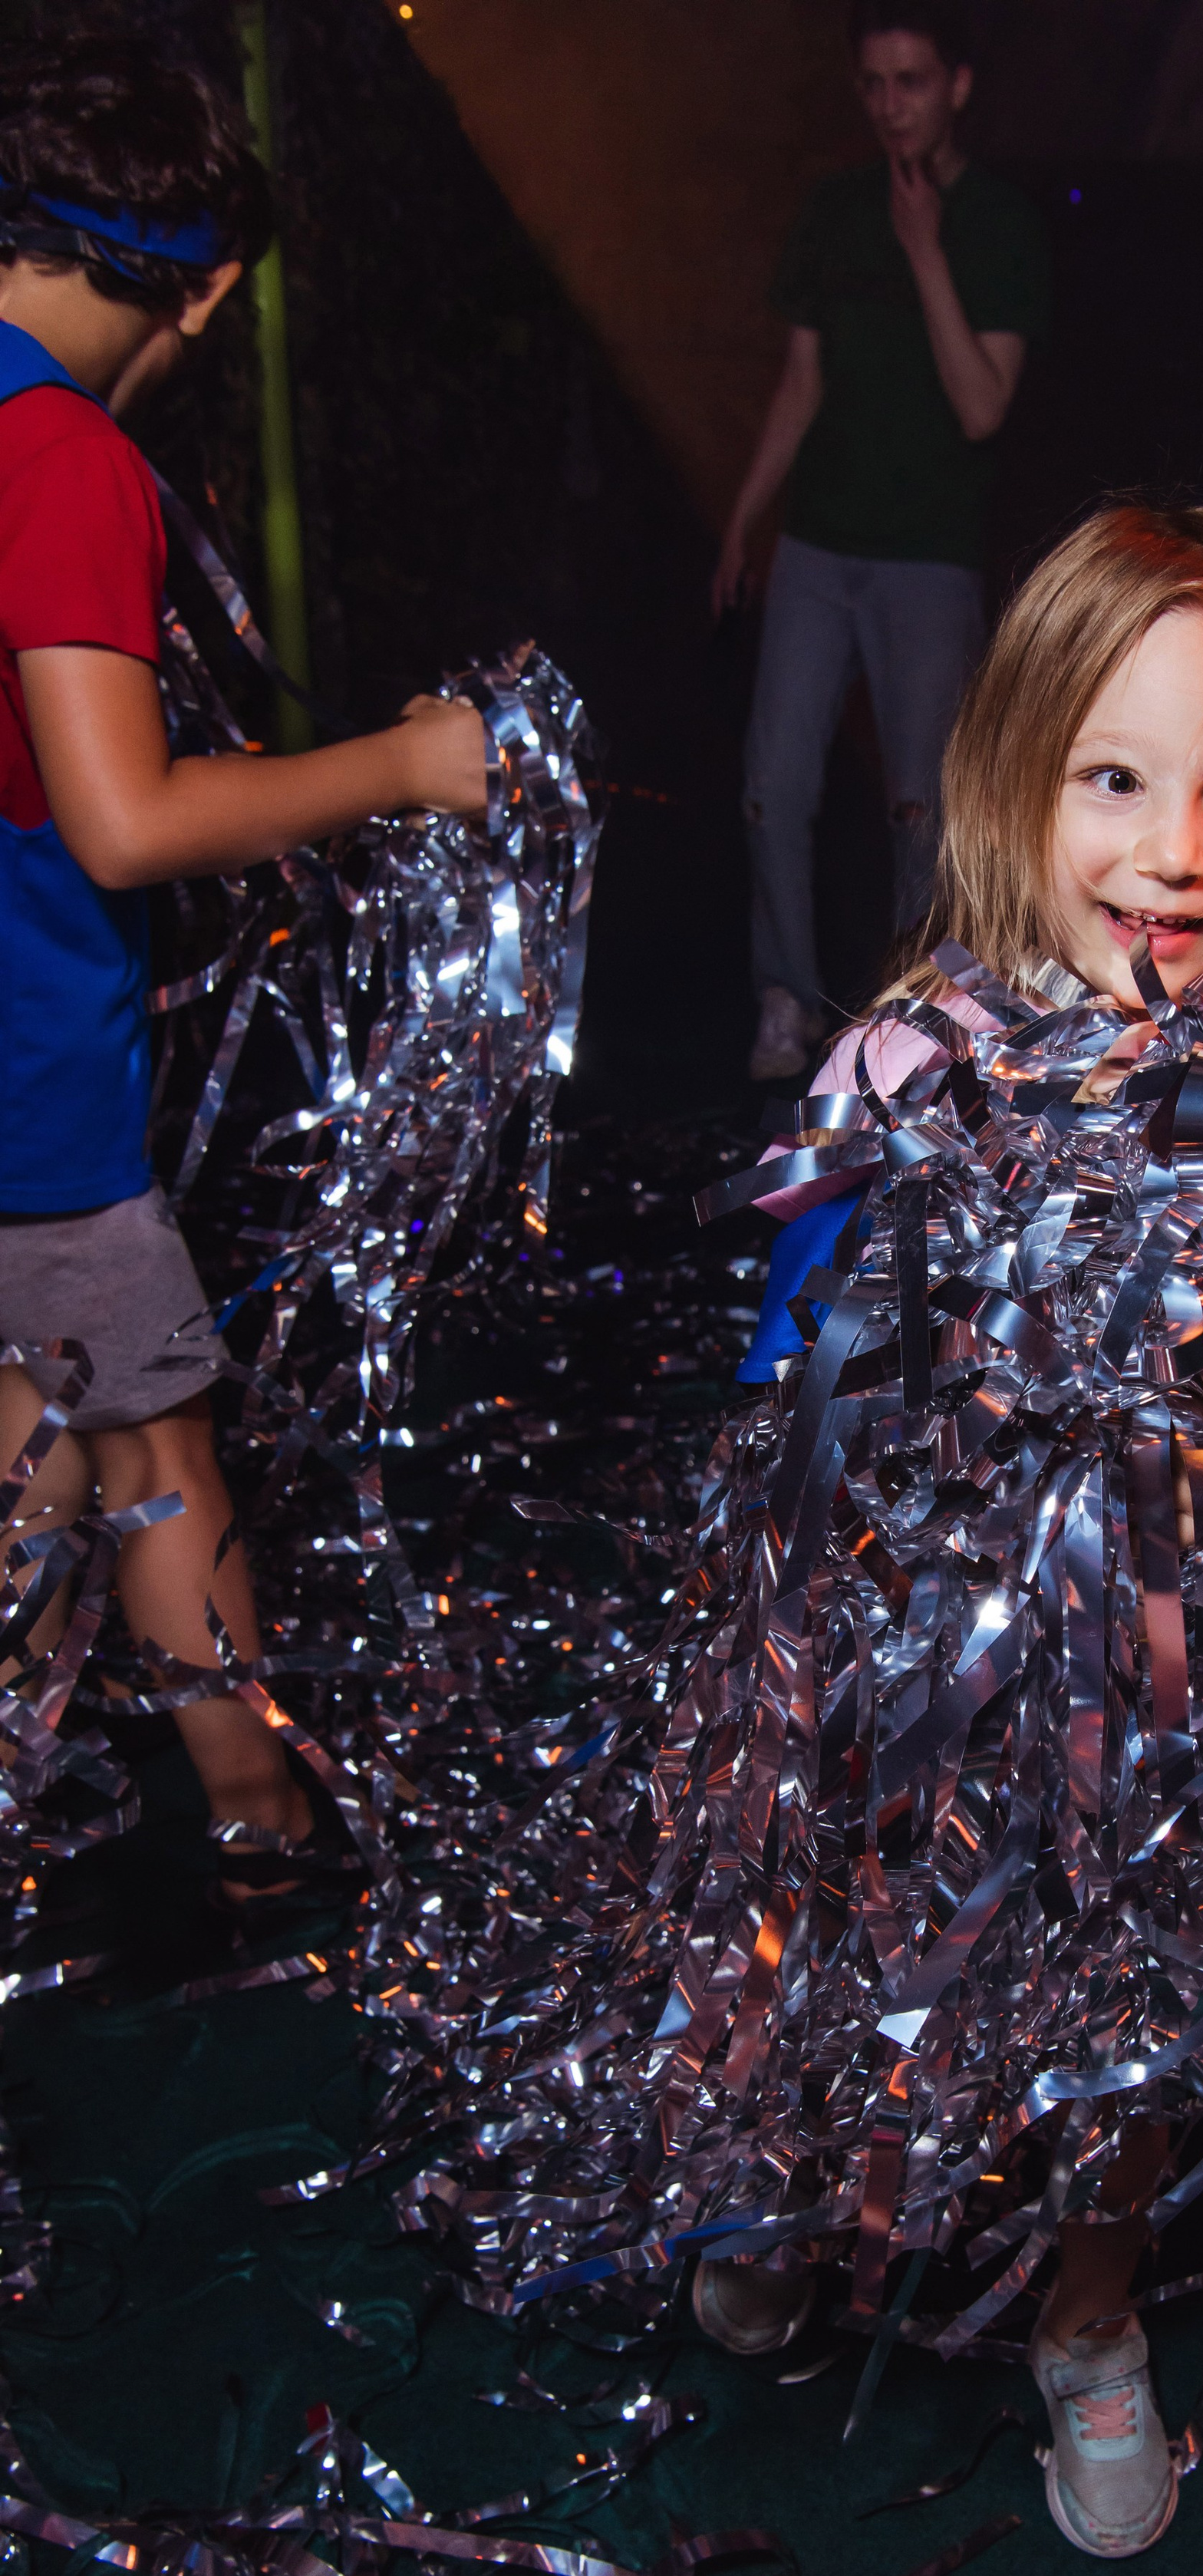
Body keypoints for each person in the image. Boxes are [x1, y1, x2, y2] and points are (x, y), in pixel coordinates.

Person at [503, 501, 1203, 2564]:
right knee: (838, 1966)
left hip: (1179, 1740)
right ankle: (800, 2210)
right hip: (900, 1691)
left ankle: (1091, 2325)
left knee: (1134, 2037)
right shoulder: (904, 1061)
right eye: (1115, 779)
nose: (1174, 855)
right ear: (1010, 778)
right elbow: (792, 1377)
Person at [0, 38, 484, 1908]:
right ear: (199, 289)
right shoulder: (56, 447)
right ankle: (263, 1822)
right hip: (37, 1086)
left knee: (36, 1458)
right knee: (151, 1444)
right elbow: (119, 822)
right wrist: (404, 767)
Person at [713, 0, 1050, 1080]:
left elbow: (983, 405)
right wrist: (743, 517)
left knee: (923, 808)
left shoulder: (998, 222)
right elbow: (801, 382)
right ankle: (783, 999)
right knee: (773, 779)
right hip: (819, 543)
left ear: (957, 85)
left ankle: (912, 1022)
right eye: (875, 84)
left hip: (926, 555)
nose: (892, 105)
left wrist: (925, 252)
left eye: (911, 81)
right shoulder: (832, 210)